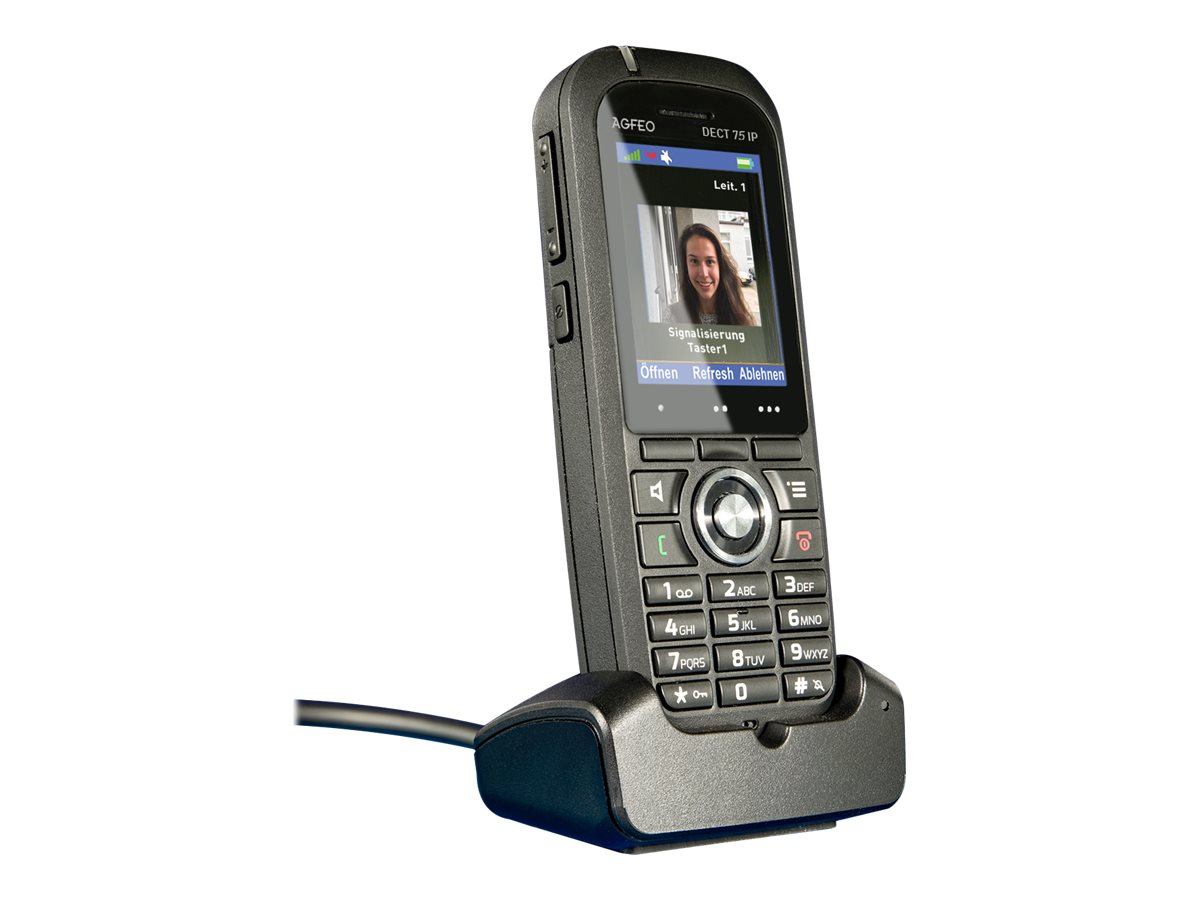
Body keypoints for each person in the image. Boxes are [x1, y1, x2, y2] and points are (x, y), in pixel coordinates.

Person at [663, 223, 757, 326]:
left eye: (710, 261)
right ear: (686, 266)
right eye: (694, 261)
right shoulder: (672, 317)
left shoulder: (741, 317)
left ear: (721, 265)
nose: (704, 274)